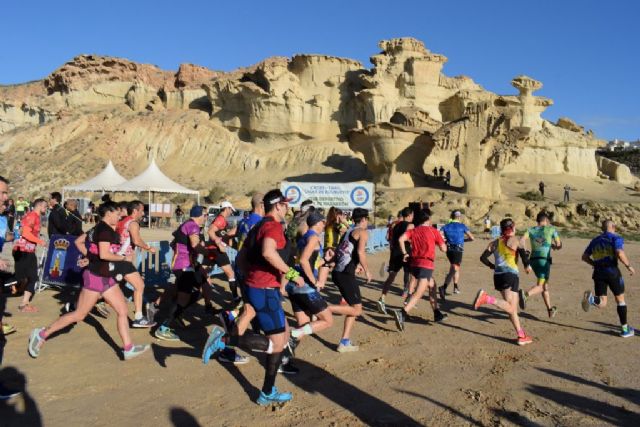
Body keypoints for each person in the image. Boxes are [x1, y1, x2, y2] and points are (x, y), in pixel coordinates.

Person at [202, 189, 303, 405]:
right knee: (276, 343)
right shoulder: (273, 226)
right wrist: (292, 274)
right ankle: (223, 340)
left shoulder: (257, 224)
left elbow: (241, 258)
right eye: (285, 205)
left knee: (283, 339)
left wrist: (251, 278)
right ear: (278, 206)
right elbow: (268, 252)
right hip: (265, 290)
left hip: (261, 287)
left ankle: (267, 391)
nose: (287, 209)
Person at [27, 202, 150, 360]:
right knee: (79, 314)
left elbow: (79, 242)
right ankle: (42, 334)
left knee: (122, 310)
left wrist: (91, 258)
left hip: (105, 276)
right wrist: (123, 258)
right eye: (118, 213)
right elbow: (105, 254)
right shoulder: (105, 231)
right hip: (96, 277)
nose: (120, 217)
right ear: (109, 213)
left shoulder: (96, 228)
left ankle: (128, 348)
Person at [475, 218, 533, 345]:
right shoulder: (516, 241)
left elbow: (483, 258)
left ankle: (521, 335)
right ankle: (487, 298)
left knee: (512, 308)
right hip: (510, 275)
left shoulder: (495, 242)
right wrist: (527, 267)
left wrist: (492, 266)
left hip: (498, 276)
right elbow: (524, 257)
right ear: (512, 227)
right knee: (511, 307)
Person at [154, 205, 208, 341]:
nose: (206, 218)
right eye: (205, 215)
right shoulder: (193, 226)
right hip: (184, 267)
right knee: (184, 298)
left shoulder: (185, 225)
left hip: (184, 265)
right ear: (199, 215)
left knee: (198, 289)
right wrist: (210, 252)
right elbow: (195, 244)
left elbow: (174, 244)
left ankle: (173, 313)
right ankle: (164, 327)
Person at [391, 208, 447, 331]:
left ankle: (437, 313)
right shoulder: (433, 231)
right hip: (425, 264)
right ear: (428, 219)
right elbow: (444, 249)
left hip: (414, 264)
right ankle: (402, 312)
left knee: (432, 285)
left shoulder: (414, 230)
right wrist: (443, 243)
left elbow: (401, 239)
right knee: (419, 292)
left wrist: (405, 253)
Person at [581, 220, 635, 337]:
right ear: (613, 227)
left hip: (598, 273)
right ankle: (625, 330)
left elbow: (584, 257)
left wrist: (594, 264)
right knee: (620, 300)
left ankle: (591, 299)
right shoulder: (616, 238)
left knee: (602, 303)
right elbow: (619, 253)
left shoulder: (595, 240)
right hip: (612, 272)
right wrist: (628, 266)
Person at [286, 211, 333, 343]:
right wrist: (315, 281)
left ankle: (284, 357)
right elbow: (303, 261)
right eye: (323, 223)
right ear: (318, 223)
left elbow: (301, 261)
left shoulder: (303, 237)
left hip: (293, 283)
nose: (324, 225)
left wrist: (325, 260)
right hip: (304, 285)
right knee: (327, 320)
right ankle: (291, 334)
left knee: (304, 325)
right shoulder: (313, 238)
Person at [329, 207, 371, 352]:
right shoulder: (362, 232)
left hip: (340, 273)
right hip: (345, 274)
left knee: (353, 308)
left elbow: (341, 252)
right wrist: (367, 271)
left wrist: (355, 267)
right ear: (364, 219)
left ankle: (344, 341)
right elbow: (360, 252)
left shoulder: (347, 232)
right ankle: (323, 308)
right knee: (357, 310)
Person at [116, 200, 157, 327]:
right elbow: (136, 240)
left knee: (104, 287)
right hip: (123, 260)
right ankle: (139, 317)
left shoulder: (122, 221)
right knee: (139, 286)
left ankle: (75, 306)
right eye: (142, 210)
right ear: (135, 211)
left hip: (117, 258)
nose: (143, 213)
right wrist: (148, 248)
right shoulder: (133, 223)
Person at [0, 176, 21, 400]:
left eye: (6, 193)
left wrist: (11, 236)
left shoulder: (2, 218)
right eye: (2, 193)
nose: (6, 198)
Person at [518, 211, 562, 317]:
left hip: (533, 260)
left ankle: (549, 309)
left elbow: (522, 240)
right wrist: (555, 247)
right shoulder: (551, 229)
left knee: (544, 285)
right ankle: (526, 294)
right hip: (544, 261)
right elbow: (559, 244)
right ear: (546, 220)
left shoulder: (531, 230)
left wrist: (525, 251)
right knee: (541, 286)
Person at [377, 207, 414, 314]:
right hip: (405, 253)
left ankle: (382, 298)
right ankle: (408, 298)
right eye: (413, 215)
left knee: (391, 277)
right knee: (413, 276)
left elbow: (392, 240)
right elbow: (411, 239)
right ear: (410, 215)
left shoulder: (395, 225)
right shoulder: (410, 225)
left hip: (394, 253)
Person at [13, 198, 47, 312]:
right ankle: (23, 302)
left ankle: (24, 303)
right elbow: (26, 233)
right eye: (45, 207)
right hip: (24, 250)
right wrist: (40, 242)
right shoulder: (33, 216)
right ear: (40, 206)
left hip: (27, 250)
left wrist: (38, 239)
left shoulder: (35, 216)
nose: (46, 209)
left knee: (30, 277)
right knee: (29, 277)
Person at [207, 200, 239, 303]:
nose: (231, 212)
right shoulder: (221, 219)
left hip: (212, 250)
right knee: (231, 274)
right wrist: (219, 244)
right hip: (216, 250)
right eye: (230, 210)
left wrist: (237, 247)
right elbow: (210, 231)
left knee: (204, 273)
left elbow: (224, 238)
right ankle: (235, 297)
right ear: (227, 209)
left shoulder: (222, 220)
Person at [439, 210, 474, 297]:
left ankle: (455, 287)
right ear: (459, 217)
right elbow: (472, 238)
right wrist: (463, 240)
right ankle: (443, 287)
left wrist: (446, 241)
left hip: (449, 250)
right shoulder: (462, 226)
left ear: (452, 216)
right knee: (455, 268)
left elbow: (439, 236)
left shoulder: (445, 226)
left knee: (454, 268)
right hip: (458, 250)